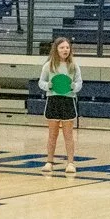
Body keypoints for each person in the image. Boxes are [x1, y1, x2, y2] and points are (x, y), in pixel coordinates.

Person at [39, 37, 82, 175]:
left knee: (68, 135)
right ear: (56, 49)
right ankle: (49, 162)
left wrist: (74, 86)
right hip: (53, 100)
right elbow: (41, 82)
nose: (65, 50)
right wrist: (48, 85)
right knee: (52, 134)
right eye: (62, 47)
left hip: (68, 101)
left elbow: (79, 83)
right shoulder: (48, 66)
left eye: (67, 47)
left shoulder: (74, 66)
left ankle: (70, 163)